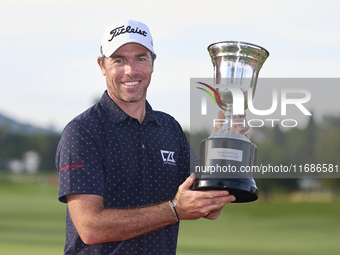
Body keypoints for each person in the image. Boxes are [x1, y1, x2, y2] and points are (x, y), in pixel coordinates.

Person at [56, 20, 248, 255]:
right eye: (119, 60)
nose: (131, 70)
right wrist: (174, 210)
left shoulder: (169, 128)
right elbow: (90, 227)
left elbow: (208, 207)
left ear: (153, 62)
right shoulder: (83, 131)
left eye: (140, 58)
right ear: (102, 65)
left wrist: (221, 146)